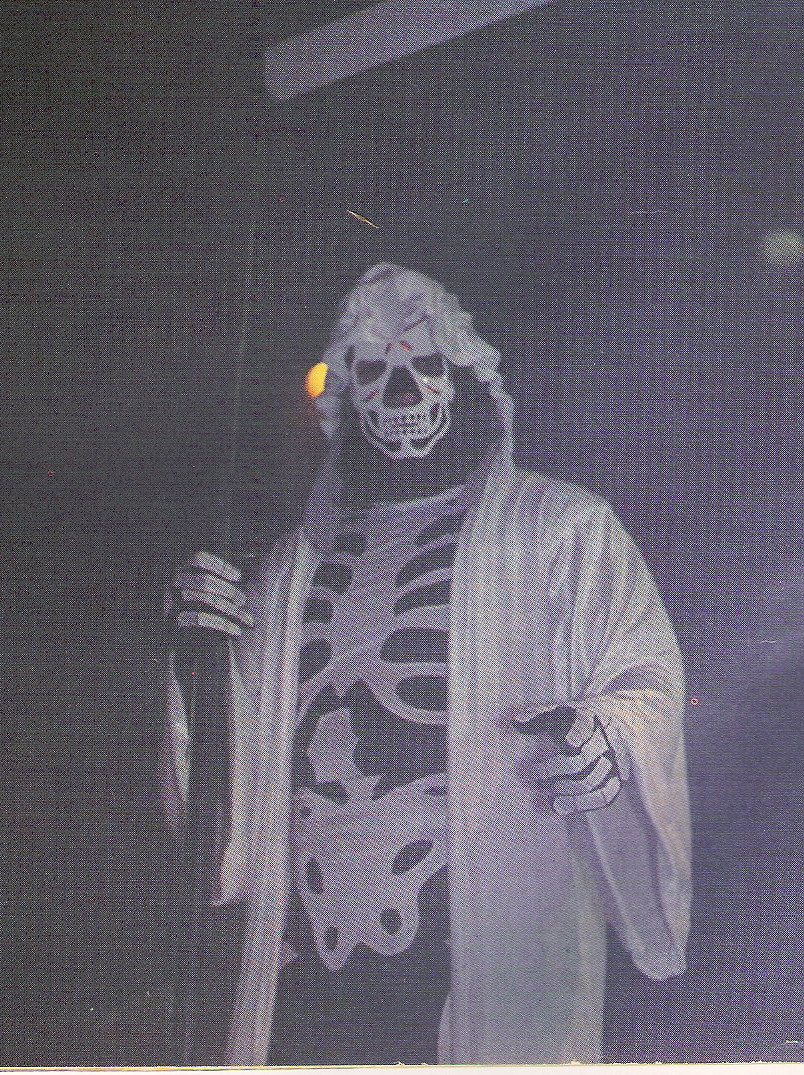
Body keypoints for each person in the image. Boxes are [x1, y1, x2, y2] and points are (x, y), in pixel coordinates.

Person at [162, 262, 691, 1065]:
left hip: (483, 947)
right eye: (375, 371)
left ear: (465, 376)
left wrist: (608, 736)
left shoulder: (560, 528)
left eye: (423, 365)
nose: (402, 391)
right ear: (349, 395)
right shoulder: (291, 568)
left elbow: (643, 673)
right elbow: (222, 807)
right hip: (313, 973)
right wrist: (195, 652)